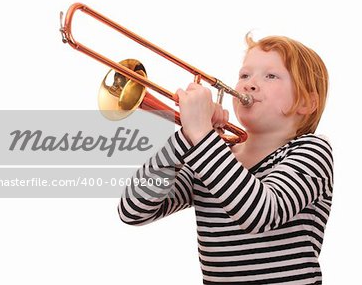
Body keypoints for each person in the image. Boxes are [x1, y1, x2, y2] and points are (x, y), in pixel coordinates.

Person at [118, 34, 333, 285]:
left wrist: (203, 136)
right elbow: (134, 210)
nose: (250, 85)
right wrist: (187, 138)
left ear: (307, 103)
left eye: (270, 76)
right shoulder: (214, 156)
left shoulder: (311, 150)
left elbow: (260, 212)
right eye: (244, 75)